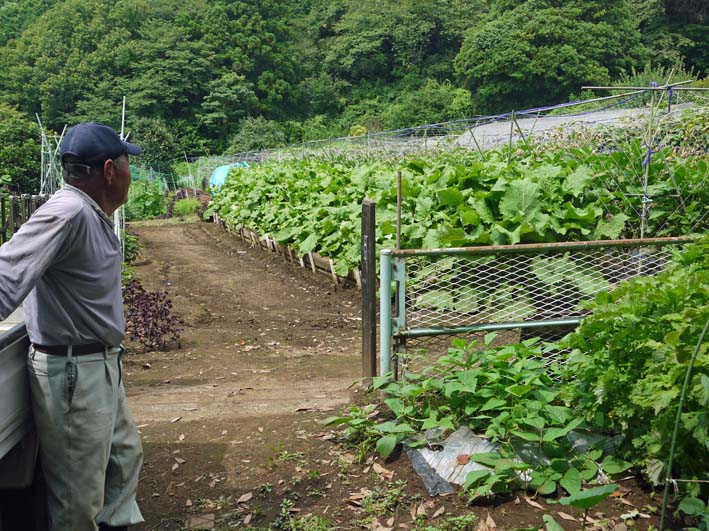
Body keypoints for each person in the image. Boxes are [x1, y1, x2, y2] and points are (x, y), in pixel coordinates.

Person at [0, 122, 144, 531]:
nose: (130, 173)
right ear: (110, 171)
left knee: (123, 458)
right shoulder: (68, 212)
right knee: (77, 499)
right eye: (127, 163)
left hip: (98, 364)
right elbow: (5, 274)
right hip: (73, 375)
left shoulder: (88, 212)